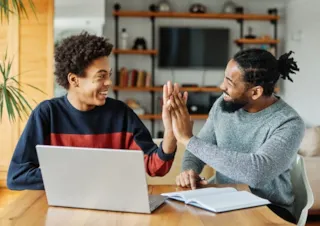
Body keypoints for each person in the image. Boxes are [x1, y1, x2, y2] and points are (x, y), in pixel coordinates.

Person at [7, 32, 181, 190]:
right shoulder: (47, 114)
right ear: (74, 80)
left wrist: (171, 135)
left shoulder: (121, 114)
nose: (109, 82)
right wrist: (78, 175)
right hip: (63, 209)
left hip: (113, 207)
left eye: (109, 75)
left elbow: (154, 166)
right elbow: (17, 177)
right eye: (101, 76)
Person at [167, 49, 304, 224]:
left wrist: (187, 139)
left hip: (270, 209)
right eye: (225, 77)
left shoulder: (289, 123)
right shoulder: (222, 105)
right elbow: (197, 150)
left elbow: (257, 173)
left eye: (229, 82)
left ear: (255, 92)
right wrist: (189, 170)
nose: (221, 86)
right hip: (224, 203)